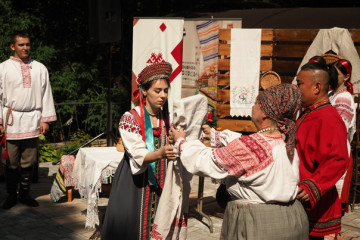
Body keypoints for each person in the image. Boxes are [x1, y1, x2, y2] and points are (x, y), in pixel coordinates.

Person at [170, 84, 309, 240]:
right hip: (293, 219)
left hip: (260, 223)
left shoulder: (253, 147)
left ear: (264, 113)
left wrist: (182, 142)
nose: (253, 106)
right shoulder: (285, 142)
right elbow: (247, 149)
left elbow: (206, 161)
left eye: (257, 102)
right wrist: (216, 135)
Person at [101, 62, 176, 240]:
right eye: (157, 91)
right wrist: (161, 153)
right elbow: (138, 154)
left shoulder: (169, 119)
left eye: (166, 90)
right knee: (130, 229)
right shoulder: (130, 118)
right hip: (134, 184)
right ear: (144, 91)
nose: (163, 95)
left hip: (162, 184)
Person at [0, 31, 57, 209]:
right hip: (11, 120)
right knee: (11, 161)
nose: (25, 48)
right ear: (12, 46)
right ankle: (11, 195)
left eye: (27, 44)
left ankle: (25, 194)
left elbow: (46, 94)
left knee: (29, 161)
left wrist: (45, 119)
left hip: (33, 119)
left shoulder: (40, 68)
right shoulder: (3, 68)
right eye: (21, 45)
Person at [296, 62, 350, 239]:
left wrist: (314, 185)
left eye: (300, 84)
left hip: (313, 201)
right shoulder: (309, 113)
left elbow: (338, 159)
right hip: (300, 198)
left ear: (317, 87)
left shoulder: (328, 118)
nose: (297, 89)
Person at [328, 58, 356, 215]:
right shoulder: (332, 93)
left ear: (346, 77)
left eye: (335, 73)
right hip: (329, 150)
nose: (331, 75)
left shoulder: (344, 98)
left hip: (337, 151)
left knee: (333, 206)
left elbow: (339, 129)